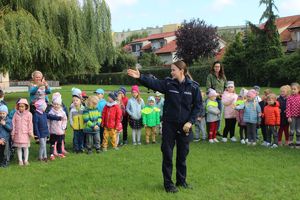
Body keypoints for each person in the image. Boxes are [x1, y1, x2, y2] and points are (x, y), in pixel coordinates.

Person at [127, 60, 202, 193]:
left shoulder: (193, 87)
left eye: (173, 69)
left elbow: (198, 107)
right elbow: (154, 83)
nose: (171, 72)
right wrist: (140, 77)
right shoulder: (168, 83)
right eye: (171, 69)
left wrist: (190, 122)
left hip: (185, 126)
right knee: (167, 154)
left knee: (182, 156)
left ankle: (181, 181)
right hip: (169, 126)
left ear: (182, 71)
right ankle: (168, 184)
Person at [206, 61, 227, 134]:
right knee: (211, 115)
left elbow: (226, 87)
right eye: (216, 66)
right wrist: (216, 94)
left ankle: (216, 130)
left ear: (220, 68)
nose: (217, 68)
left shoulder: (223, 76)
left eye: (218, 66)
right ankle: (210, 131)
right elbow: (208, 88)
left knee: (219, 115)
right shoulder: (210, 76)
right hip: (212, 99)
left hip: (220, 99)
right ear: (213, 67)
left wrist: (223, 93)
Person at [12, 99, 34, 166]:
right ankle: (20, 160)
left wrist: (31, 133)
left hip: (25, 134)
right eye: (20, 106)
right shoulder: (15, 114)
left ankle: (26, 160)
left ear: (26, 107)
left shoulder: (29, 114)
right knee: (19, 148)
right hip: (17, 134)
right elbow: (13, 124)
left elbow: (30, 124)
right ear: (17, 106)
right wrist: (13, 133)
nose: (21, 108)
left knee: (25, 148)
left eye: (22, 106)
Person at [48, 93, 68, 160]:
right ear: (53, 104)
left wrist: (63, 127)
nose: (56, 106)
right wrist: (48, 128)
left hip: (60, 131)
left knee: (59, 142)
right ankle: (51, 154)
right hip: (53, 131)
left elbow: (65, 120)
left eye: (58, 104)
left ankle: (59, 153)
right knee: (52, 143)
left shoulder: (62, 112)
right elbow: (48, 121)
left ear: (60, 105)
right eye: (55, 104)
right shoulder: (51, 112)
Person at [286, 82, 300, 148]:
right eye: (292, 89)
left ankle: (298, 143)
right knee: (291, 130)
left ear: (298, 90)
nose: (293, 90)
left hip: (299, 117)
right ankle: (290, 142)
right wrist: (289, 116)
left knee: (298, 130)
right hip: (292, 117)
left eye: (295, 89)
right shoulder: (289, 98)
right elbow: (288, 108)